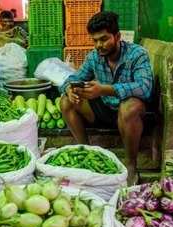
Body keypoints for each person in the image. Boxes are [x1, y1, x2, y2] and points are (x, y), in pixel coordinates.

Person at [59, 12, 154, 185]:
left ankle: (131, 165)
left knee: (130, 107)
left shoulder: (137, 55)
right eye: (94, 40)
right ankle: (87, 153)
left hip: (129, 117)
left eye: (103, 39)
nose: (98, 45)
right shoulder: (94, 57)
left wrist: (106, 90)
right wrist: (69, 89)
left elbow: (145, 88)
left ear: (117, 36)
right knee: (66, 101)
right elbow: (71, 78)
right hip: (103, 111)